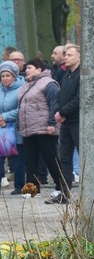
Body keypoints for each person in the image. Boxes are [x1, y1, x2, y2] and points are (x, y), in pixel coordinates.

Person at [18, 58, 68, 199]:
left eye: (29, 68)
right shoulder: (27, 85)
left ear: (39, 70)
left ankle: (61, 187)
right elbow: (22, 107)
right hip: (28, 129)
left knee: (51, 159)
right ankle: (32, 189)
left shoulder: (49, 84)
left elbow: (54, 104)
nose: (26, 70)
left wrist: (52, 123)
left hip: (45, 128)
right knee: (30, 160)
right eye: (26, 68)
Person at [0, 61, 25, 196]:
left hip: (15, 127)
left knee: (17, 158)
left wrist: (5, 116)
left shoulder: (21, 89)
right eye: (2, 76)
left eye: (7, 75)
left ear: (14, 76)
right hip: (2, 127)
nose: (4, 79)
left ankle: (19, 185)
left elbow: (20, 108)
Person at [51, 43, 81, 204]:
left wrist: (63, 112)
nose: (66, 57)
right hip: (65, 122)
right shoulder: (65, 75)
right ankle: (64, 193)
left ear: (79, 57)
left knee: (84, 156)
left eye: (69, 55)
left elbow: (79, 99)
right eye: (65, 54)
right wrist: (57, 111)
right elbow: (59, 95)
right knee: (65, 158)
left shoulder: (82, 75)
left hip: (77, 122)